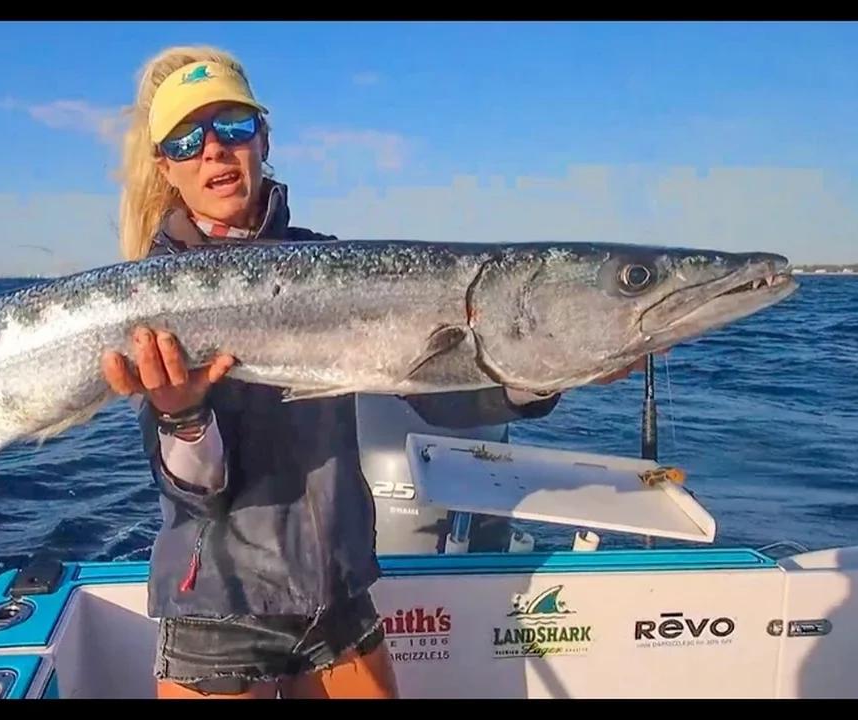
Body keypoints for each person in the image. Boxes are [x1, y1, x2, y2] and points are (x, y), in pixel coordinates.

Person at [98, 44, 645, 700]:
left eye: (234, 126)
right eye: (189, 139)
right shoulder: (150, 300)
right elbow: (197, 490)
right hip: (220, 603)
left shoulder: (331, 261)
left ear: (263, 138)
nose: (215, 149)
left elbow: (443, 400)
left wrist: (550, 369)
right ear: (167, 166)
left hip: (339, 592)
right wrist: (183, 415)